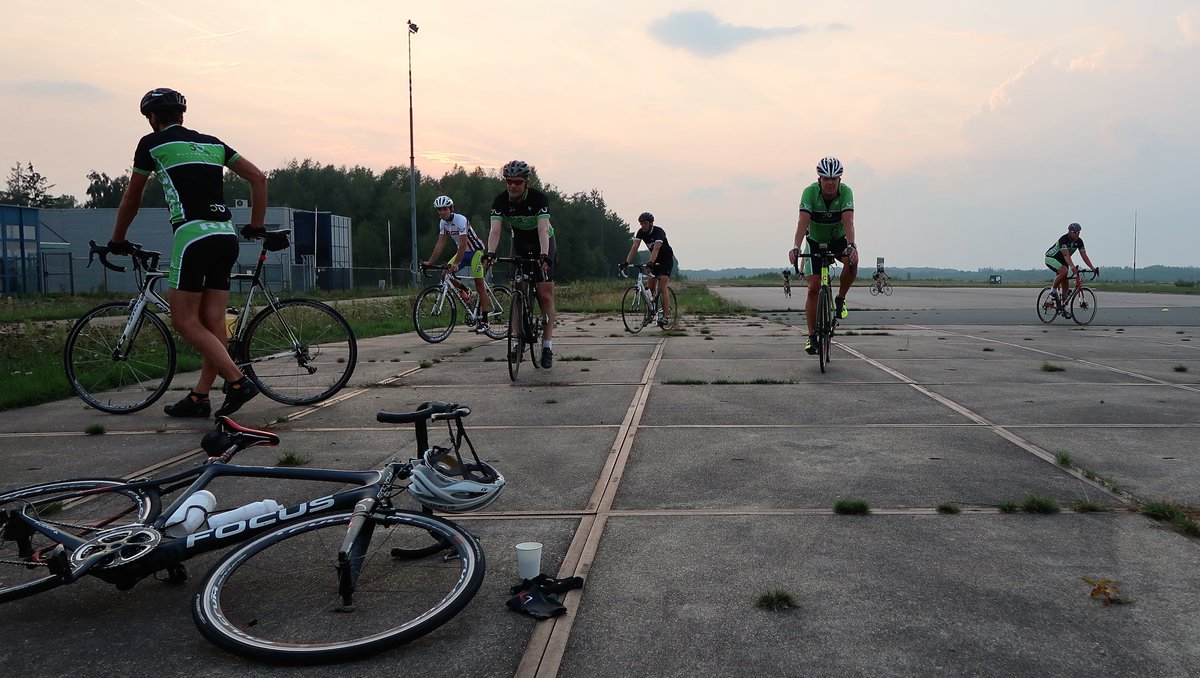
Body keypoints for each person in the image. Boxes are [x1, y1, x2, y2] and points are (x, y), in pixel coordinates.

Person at [109, 88, 268, 418]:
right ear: (182, 115)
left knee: (183, 319)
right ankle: (199, 397)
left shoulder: (151, 144)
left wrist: (118, 239)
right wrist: (255, 225)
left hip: (192, 236)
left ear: (153, 118)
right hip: (225, 236)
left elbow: (132, 198)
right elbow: (257, 178)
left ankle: (238, 381)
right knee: (213, 323)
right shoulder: (213, 143)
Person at [484, 160, 557, 367]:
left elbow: (543, 229)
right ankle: (517, 341)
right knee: (517, 289)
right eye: (509, 181)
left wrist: (544, 255)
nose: (513, 186)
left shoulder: (539, 198)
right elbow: (495, 231)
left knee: (545, 294)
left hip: (544, 242)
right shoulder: (500, 201)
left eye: (517, 181)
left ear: (527, 182)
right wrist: (490, 253)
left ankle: (547, 346)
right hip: (520, 244)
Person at [789, 156, 858, 355]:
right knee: (813, 288)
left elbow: (849, 222)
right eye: (825, 179)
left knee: (853, 263)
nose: (829, 183)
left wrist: (852, 246)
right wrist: (796, 246)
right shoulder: (809, 193)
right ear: (819, 179)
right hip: (814, 241)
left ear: (839, 180)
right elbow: (802, 222)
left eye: (833, 179)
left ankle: (840, 299)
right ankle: (812, 337)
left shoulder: (846, 193)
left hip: (838, 239)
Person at [423, 195, 490, 333]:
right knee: (444, 275)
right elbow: (440, 244)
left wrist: (457, 262)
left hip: (475, 251)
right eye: (439, 210)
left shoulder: (460, 220)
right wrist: (430, 262)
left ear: (451, 209)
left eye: (444, 209)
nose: (442, 212)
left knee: (479, 283)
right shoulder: (443, 223)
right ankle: (465, 290)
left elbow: (464, 242)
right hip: (463, 252)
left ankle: (485, 320)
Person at [620, 212, 676, 328]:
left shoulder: (658, 232)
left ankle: (665, 317)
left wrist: (650, 263)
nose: (643, 226)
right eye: (641, 223)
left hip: (666, 260)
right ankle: (651, 312)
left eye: (645, 223)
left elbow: (656, 249)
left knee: (662, 286)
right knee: (650, 289)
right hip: (654, 261)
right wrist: (626, 263)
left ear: (651, 223)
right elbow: (634, 248)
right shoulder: (641, 232)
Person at [1044, 222, 1098, 303]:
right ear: (1069, 231)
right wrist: (1072, 267)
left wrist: (1092, 268)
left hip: (1063, 260)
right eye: (1075, 232)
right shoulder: (1064, 239)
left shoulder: (1079, 241)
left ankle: (1064, 305)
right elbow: (1066, 255)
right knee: (1064, 271)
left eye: (1079, 232)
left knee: (1065, 281)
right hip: (1051, 258)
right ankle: (1053, 291)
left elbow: (1084, 256)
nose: (1077, 234)